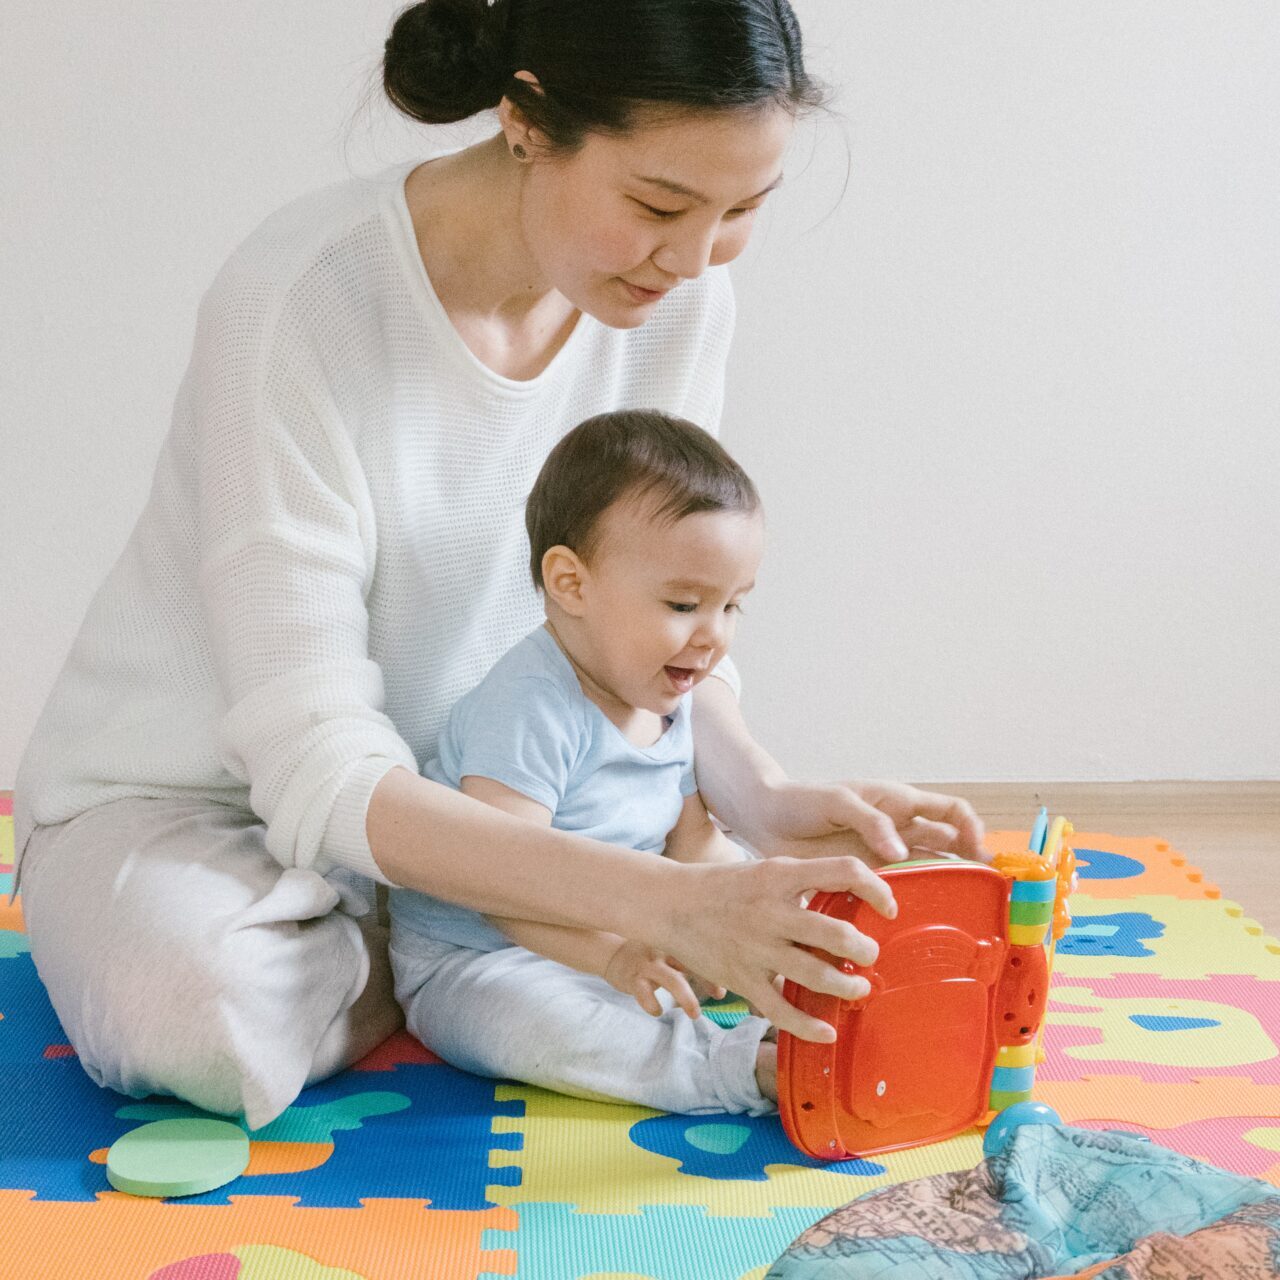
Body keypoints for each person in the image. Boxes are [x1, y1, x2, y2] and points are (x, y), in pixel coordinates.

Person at [12, 0, 987, 1134]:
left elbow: (660, 594)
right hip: (192, 802)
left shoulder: (674, 299)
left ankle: (464, 931)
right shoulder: (300, 300)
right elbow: (313, 761)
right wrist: (664, 902)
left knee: (703, 904)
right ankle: (447, 941)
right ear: (525, 119)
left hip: (496, 788)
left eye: (739, 211)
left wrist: (757, 800)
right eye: (658, 204)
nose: (693, 257)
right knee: (199, 1020)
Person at [391, 409, 790, 1115]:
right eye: (683, 603)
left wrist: (764, 912)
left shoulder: (671, 690)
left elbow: (693, 842)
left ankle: (793, 1032)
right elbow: (501, 884)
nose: (713, 637)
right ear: (572, 585)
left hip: (628, 940)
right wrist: (611, 955)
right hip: (485, 957)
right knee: (542, 1025)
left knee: (761, 956)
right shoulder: (528, 706)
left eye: (732, 607)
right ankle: (735, 1074)